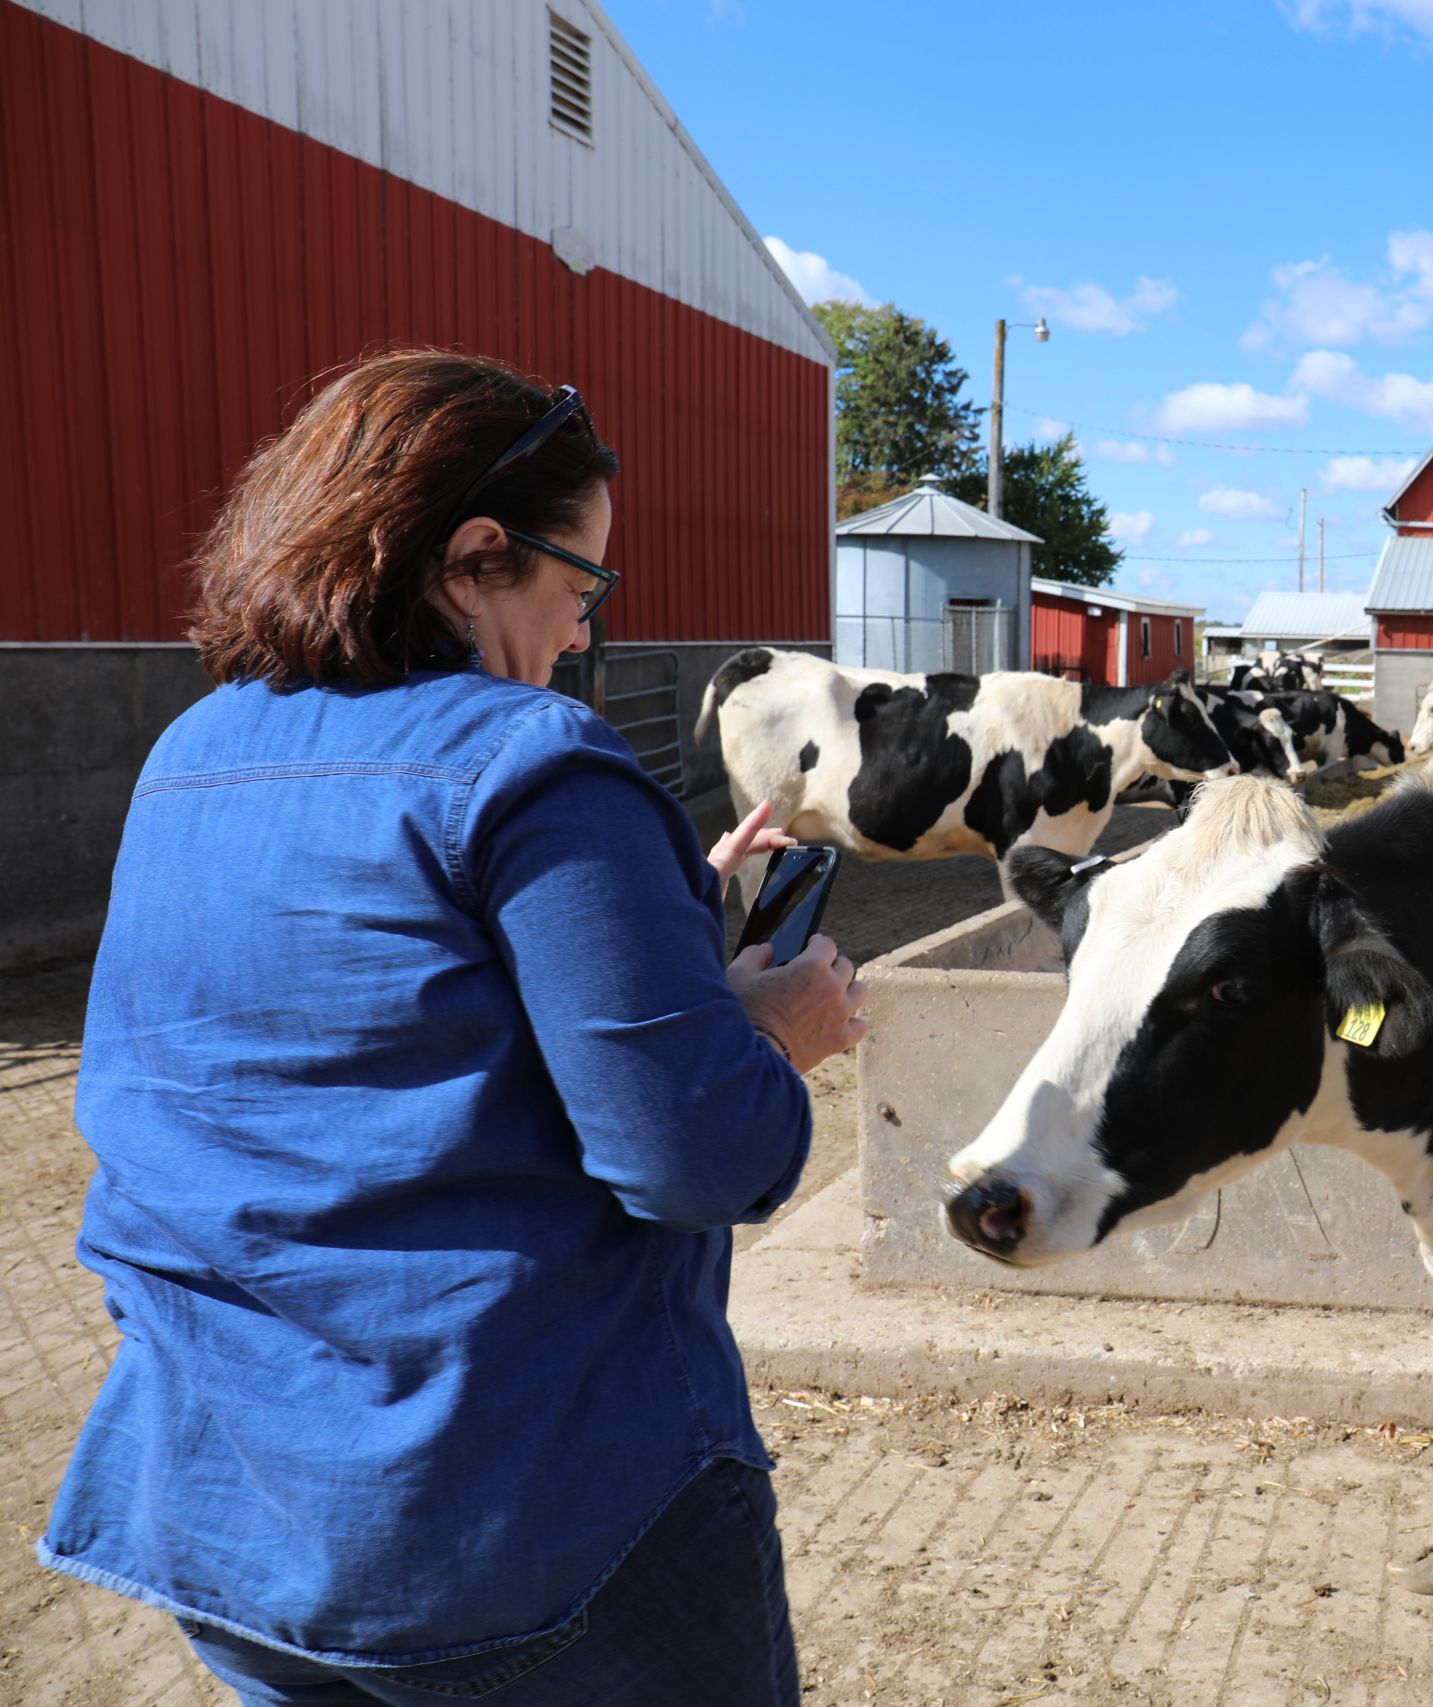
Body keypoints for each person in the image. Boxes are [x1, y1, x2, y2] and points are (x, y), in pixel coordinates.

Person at [37, 351, 866, 1704]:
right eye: (579, 583)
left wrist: (655, 924)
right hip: (522, 1520)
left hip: (228, 1503)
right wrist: (775, 1031)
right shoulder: (534, 760)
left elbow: (370, 1023)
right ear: (476, 560)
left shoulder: (192, 753)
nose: (587, 630)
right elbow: (691, 1155)